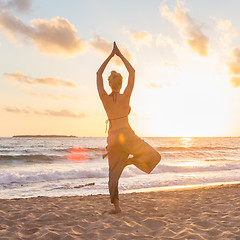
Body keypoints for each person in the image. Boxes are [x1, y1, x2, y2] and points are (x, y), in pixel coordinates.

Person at [96, 42, 161, 213]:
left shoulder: (104, 98)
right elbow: (132, 71)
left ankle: (117, 207)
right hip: (127, 135)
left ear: (109, 83)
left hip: (113, 138)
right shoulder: (126, 96)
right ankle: (130, 161)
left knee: (113, 175)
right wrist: (120, 55)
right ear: (121, 83)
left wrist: (110, 56)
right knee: (155, 156)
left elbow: (98, 73)